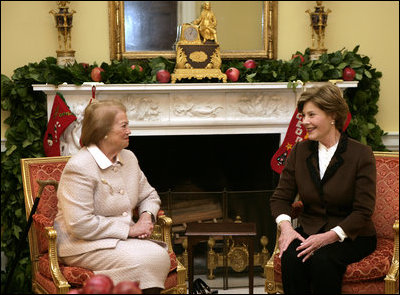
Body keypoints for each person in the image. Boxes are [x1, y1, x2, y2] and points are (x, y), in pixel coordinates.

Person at [54, 100, 170, 294]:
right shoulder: (80, 167)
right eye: (124, 126)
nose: (129, 131)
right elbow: (80, 224)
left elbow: (149, 195)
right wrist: (130, 230)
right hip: (82, 243)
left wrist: (146, 216)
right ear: (103, 132)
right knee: (148, 259)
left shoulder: (129, 158)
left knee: (158, 255)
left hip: (117, 240)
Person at [270, 84, 377, 294]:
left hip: (352, 235)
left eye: (311, 115)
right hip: (309, 230)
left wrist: (330, 236)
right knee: (291, 258)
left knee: (323, 260)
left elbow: (363, 210)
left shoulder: (361, 154)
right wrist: (287, 228)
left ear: (332, 116)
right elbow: (280, 198)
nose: (304, 122)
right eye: (303, 115)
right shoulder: (299, 152)